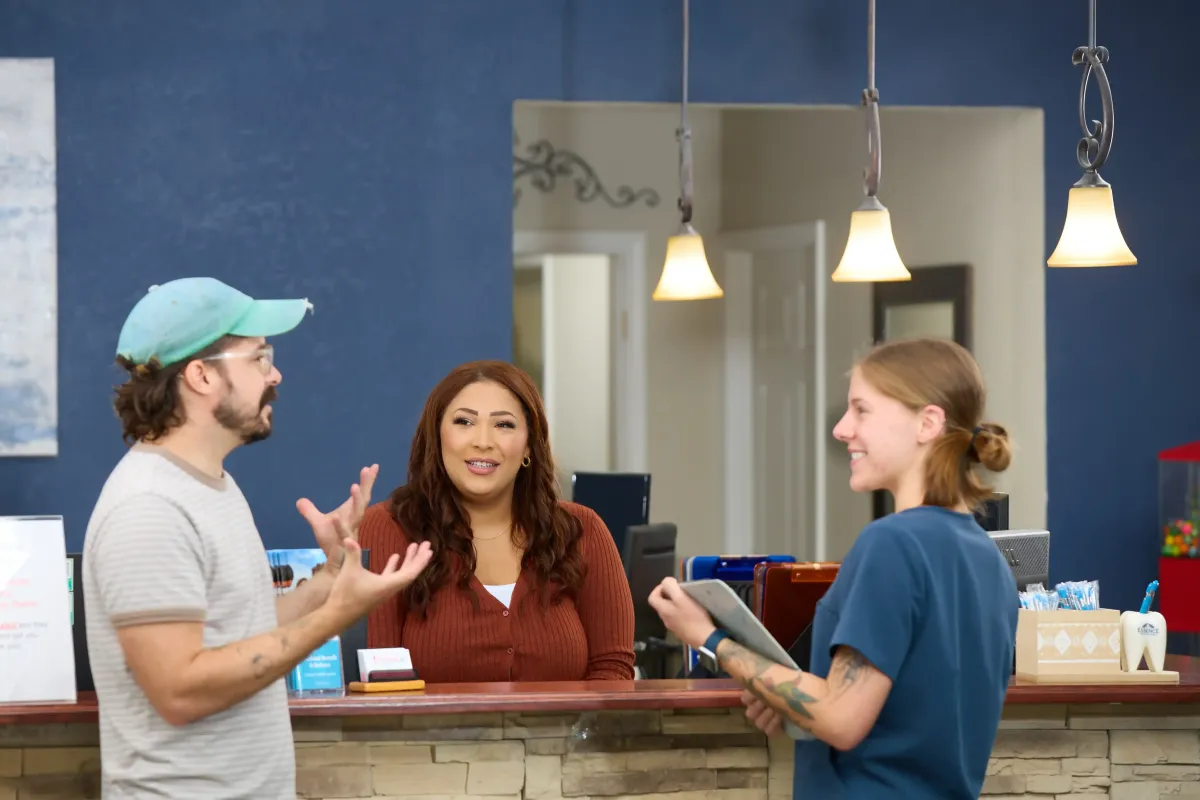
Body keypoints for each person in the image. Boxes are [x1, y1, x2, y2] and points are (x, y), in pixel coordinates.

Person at [82, 277, 431, 799]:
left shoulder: (212, 484)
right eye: (259, 358)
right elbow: (180, 692)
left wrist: (331, 580)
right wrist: (336, 616)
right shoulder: (149, 508)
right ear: (201, 375)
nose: (276, 374)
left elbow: (239, 629)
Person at [648, 338, 1019, 799]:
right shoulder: (991, 560)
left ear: (927, 422)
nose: (842, 429)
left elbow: (842, 718)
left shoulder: (892, 544)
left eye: (862, 410)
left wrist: (710, 639)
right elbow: (910, 711)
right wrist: (791, 703)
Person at [359, 360, 636, 682]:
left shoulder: (581, 530)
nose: (483, 441)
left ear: (529, 445)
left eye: (504, 425)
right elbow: (373, 681)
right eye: (464, 421)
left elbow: (612, 667)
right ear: (437, 436)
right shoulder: (386, 528)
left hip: (564, 719)